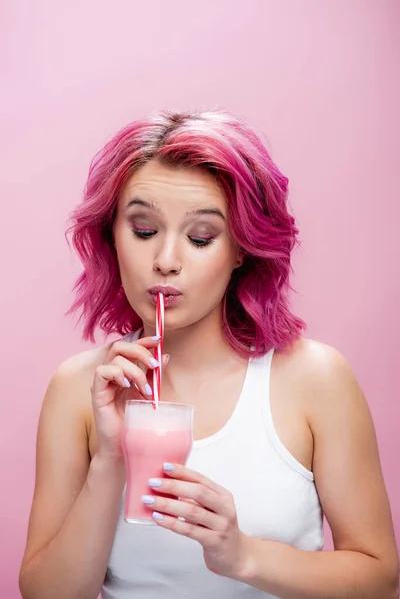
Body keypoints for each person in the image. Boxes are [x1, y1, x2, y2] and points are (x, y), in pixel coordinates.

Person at [19, 110, 399, 599]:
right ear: (111, 234)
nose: (166, 260)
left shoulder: (315, 380)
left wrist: (243, 556)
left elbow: (380, 579)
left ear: (241, 249)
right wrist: (110, 458)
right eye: (142, 229)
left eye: (200, 237)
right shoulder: (78, 390)